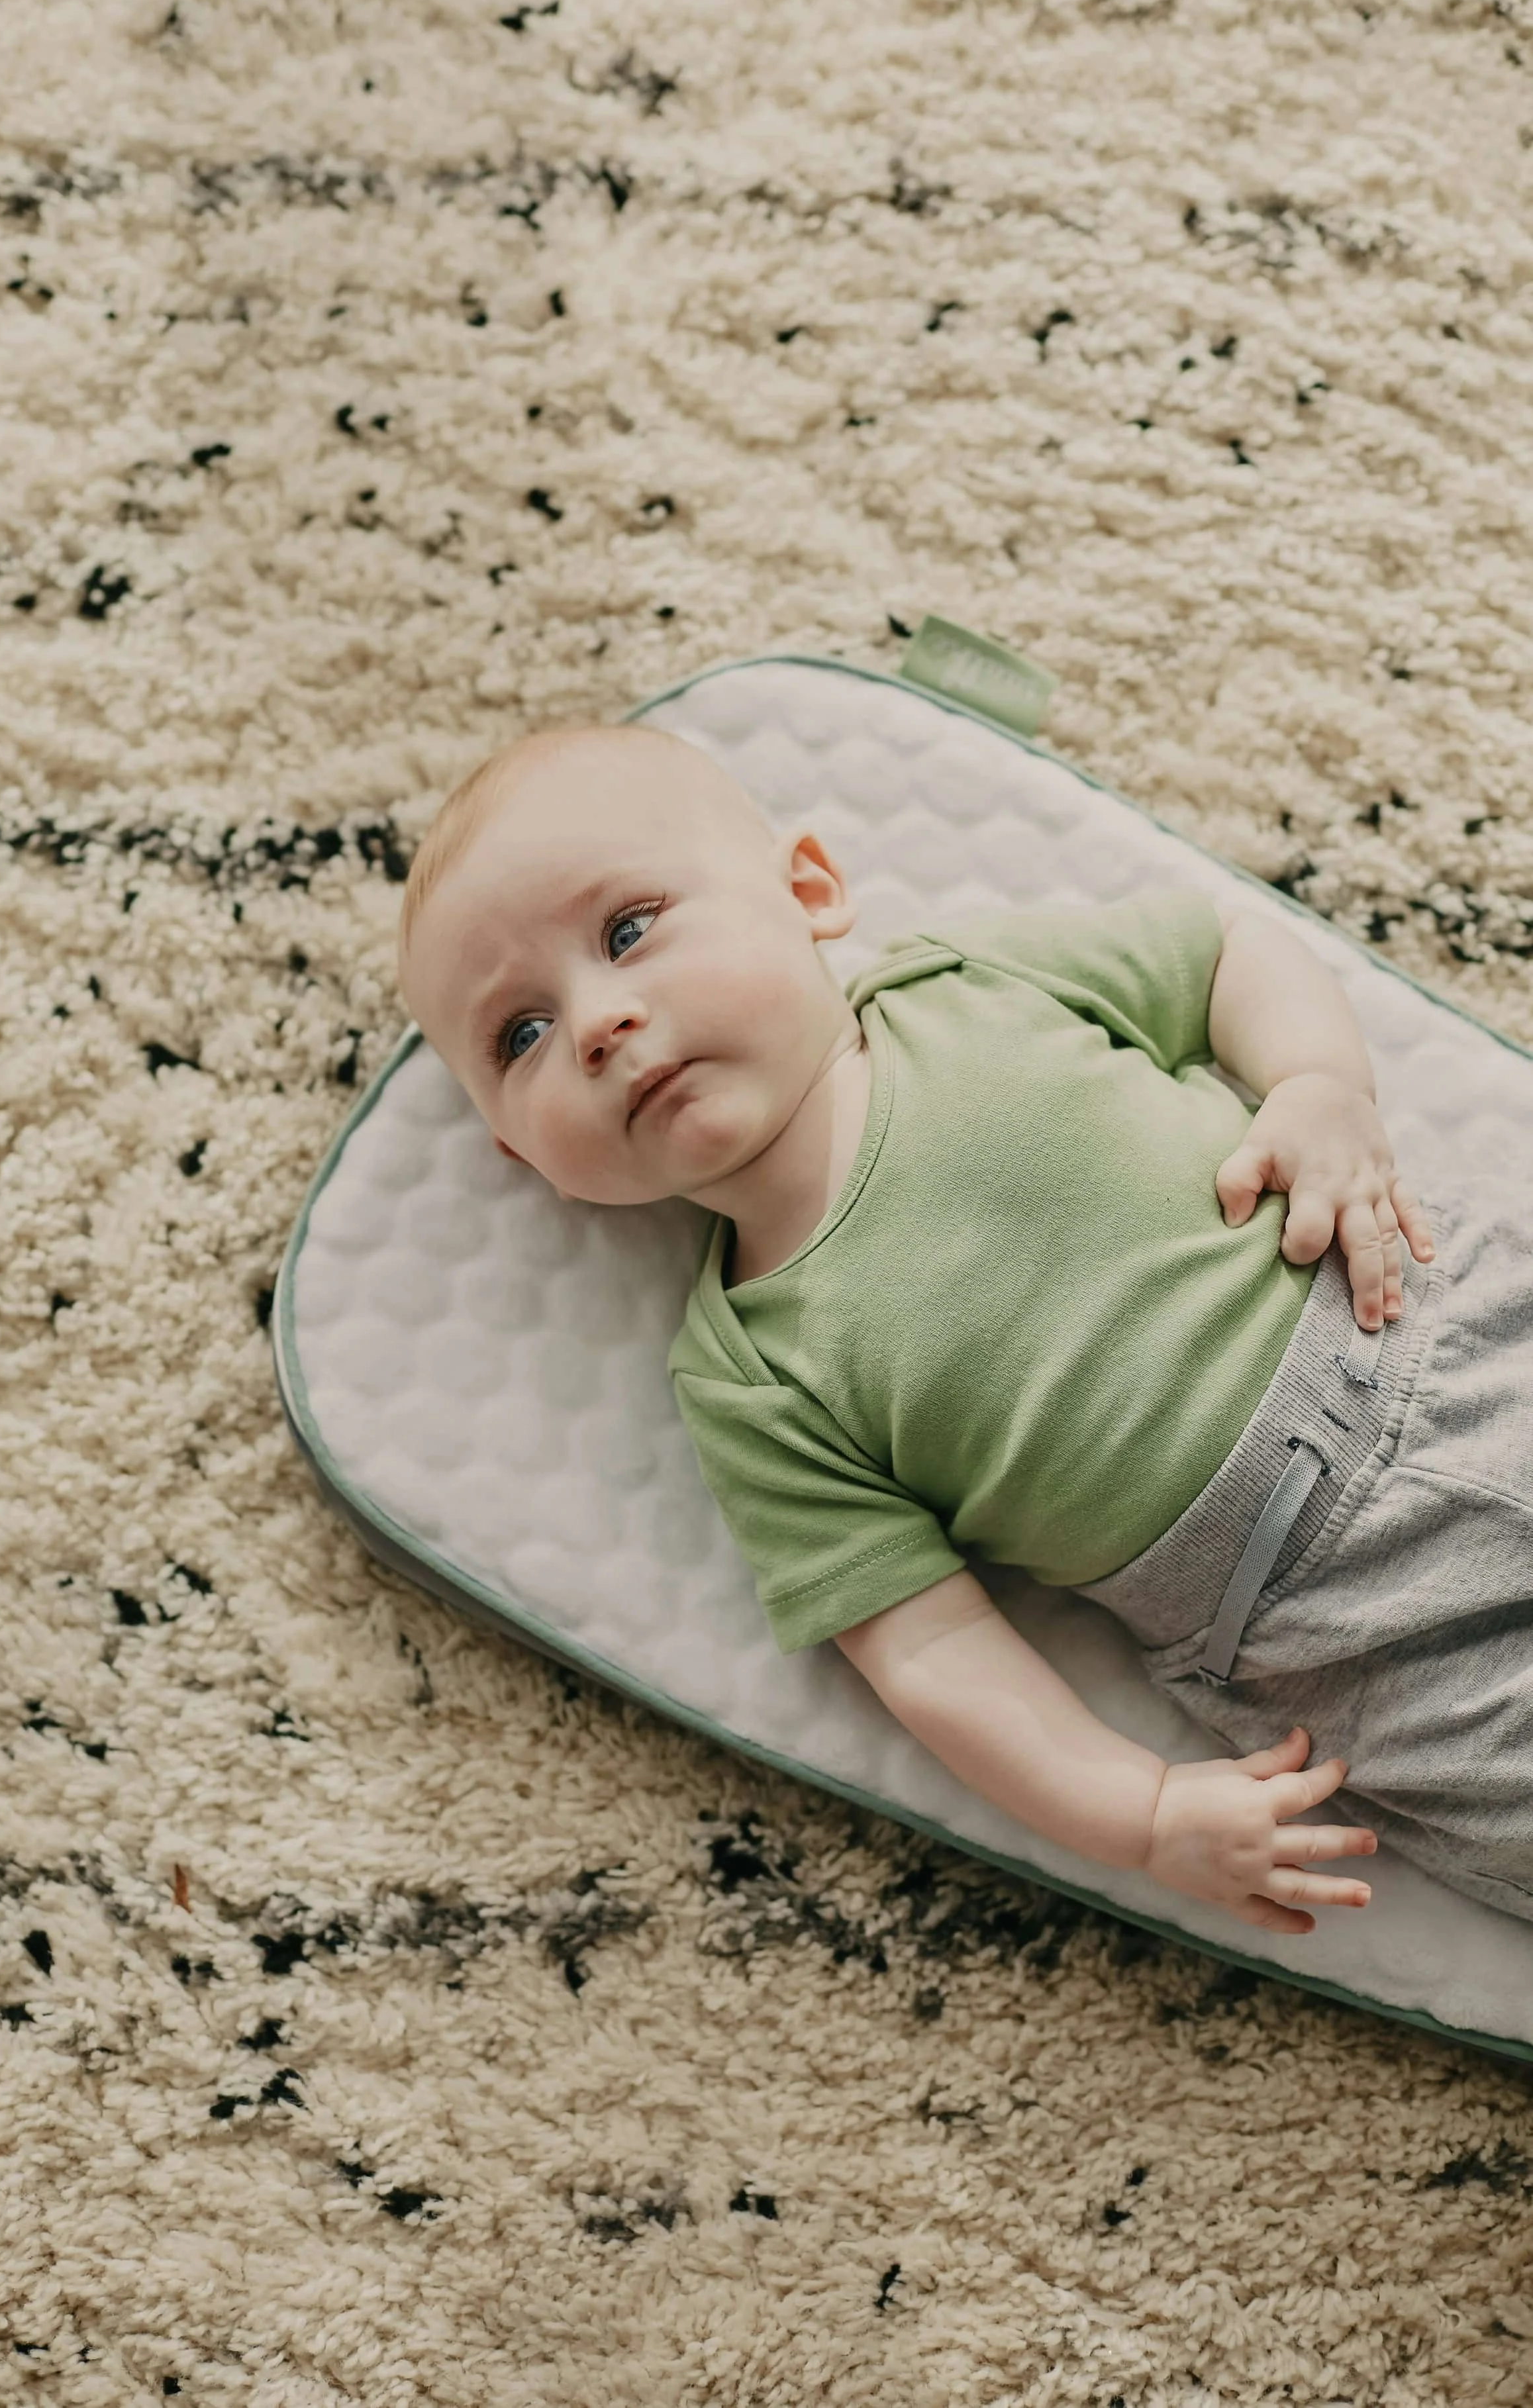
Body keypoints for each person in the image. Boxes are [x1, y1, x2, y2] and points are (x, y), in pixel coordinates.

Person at [397, 720, 1533, 1937]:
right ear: (528, 1157)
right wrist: (1138, 1811)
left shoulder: (969, 985)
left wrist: (1319, 1086)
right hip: (1321, 1614)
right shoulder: (747, 1376)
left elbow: (1222, 956)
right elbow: (928, 1650)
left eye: (627, 931)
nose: (596, 1024)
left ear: (807, 891)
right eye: (519, 1035)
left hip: (1429, 1310)